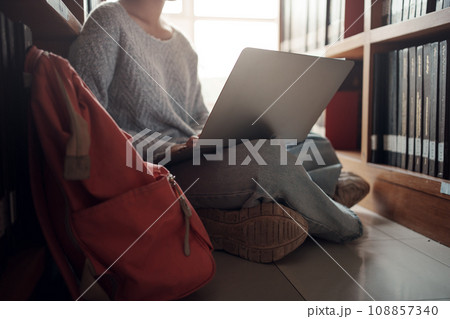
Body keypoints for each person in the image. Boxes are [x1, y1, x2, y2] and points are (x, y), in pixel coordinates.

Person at [68, 0, 368, 262]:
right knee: (270, 161)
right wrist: (171, 149)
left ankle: (264, 208)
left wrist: (224, 133)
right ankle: (336, 217)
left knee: (318, 144)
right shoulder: (107, 21)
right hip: (159, 171)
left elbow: (197, 114)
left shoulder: (183, 44)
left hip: (198, 156)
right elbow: (89, 124)